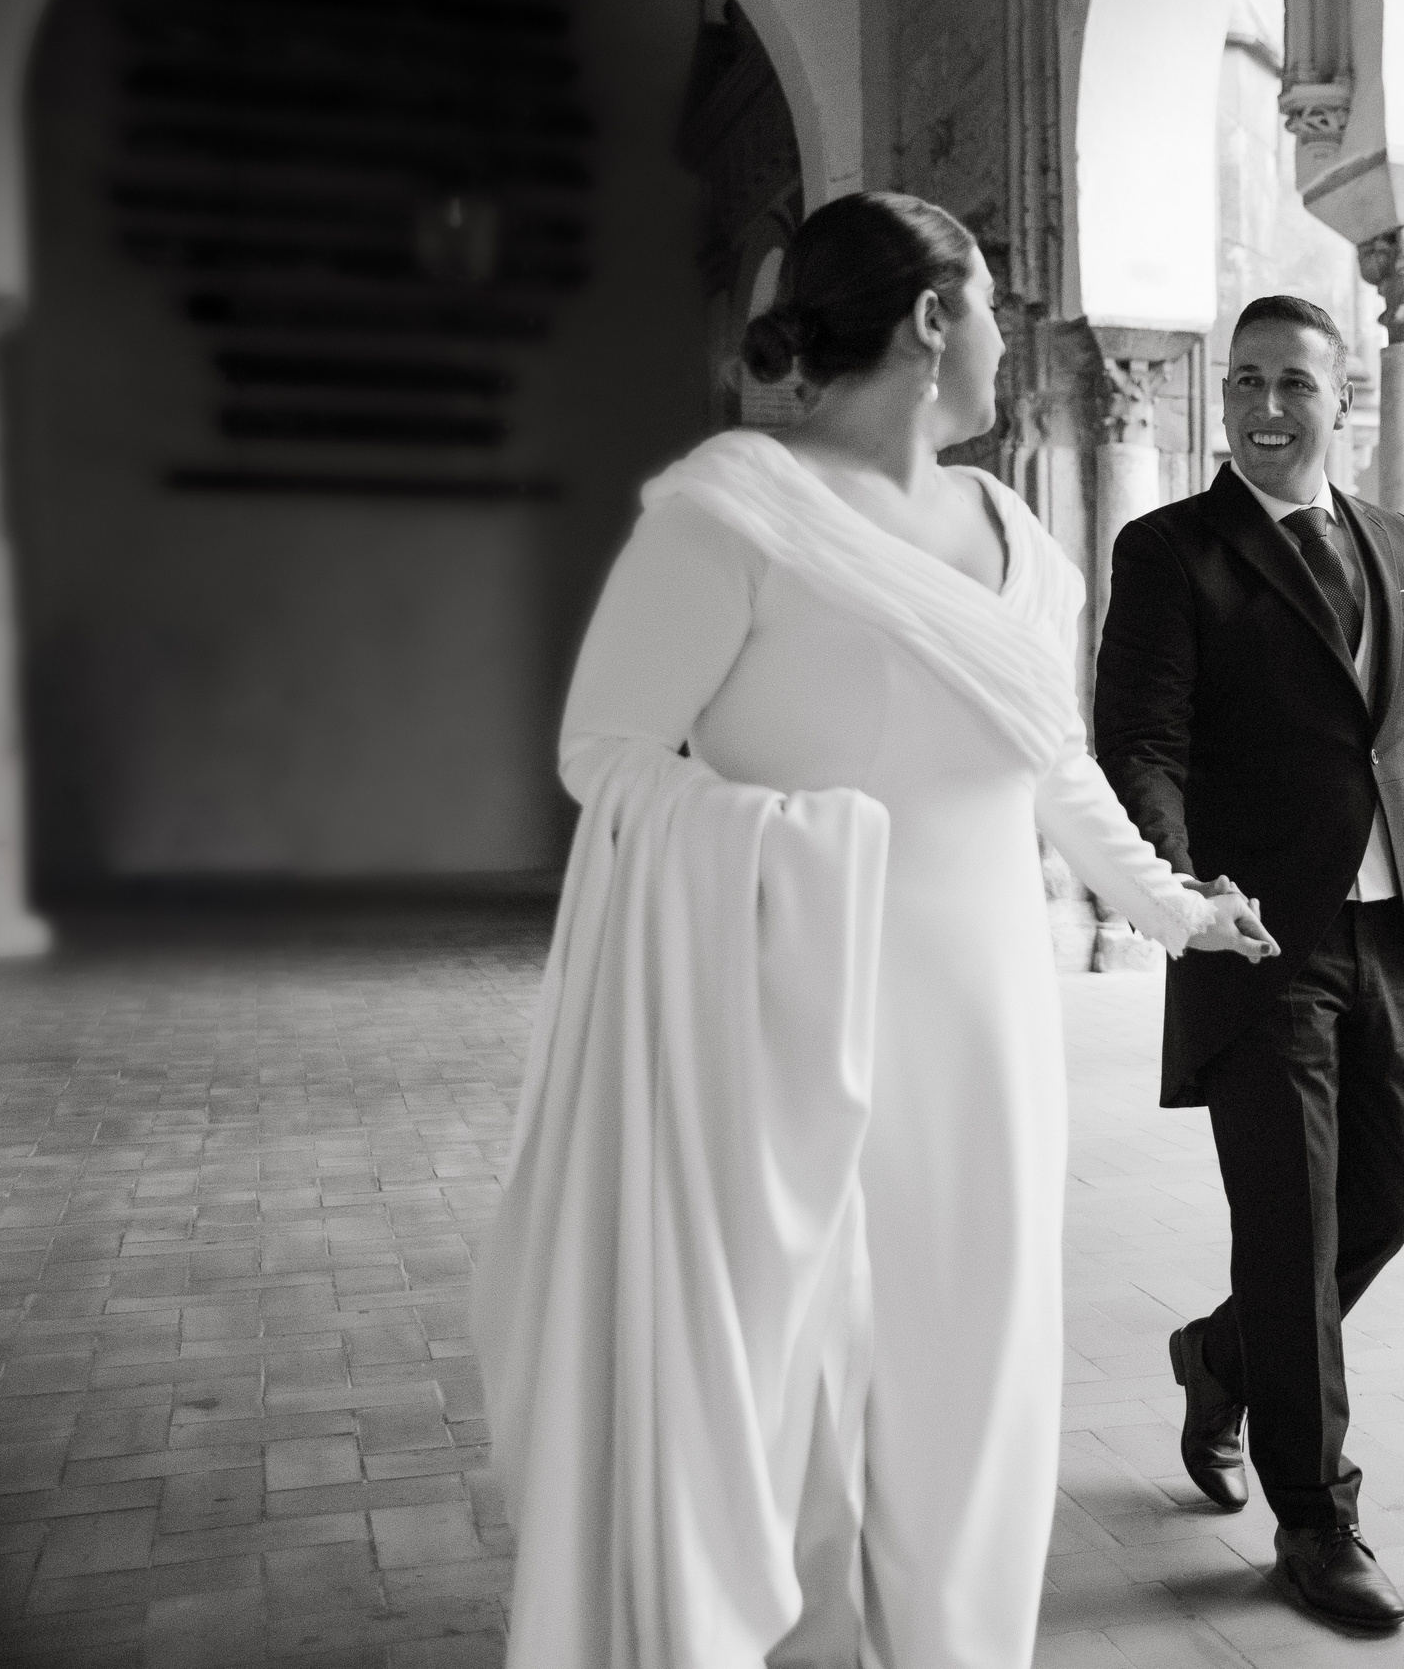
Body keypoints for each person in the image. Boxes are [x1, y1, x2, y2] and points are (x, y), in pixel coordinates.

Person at [471, 191, 1276, 1669]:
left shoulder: (1020, 538)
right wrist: (796, 845)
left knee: (973, 1359)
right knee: (796, 1368)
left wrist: (1168, 904)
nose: (1002, 347)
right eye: (989, 313)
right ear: (929, 319)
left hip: (983, 1024)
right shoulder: (732, 510)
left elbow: (1052, 759)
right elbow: (606, 751)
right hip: (788, 1011)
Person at [1092, 295, 1404, 1629]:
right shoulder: (1170, 551)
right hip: (1254, 943)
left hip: (1384, 934)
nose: (1263, 409)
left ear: (1342, 395)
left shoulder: (1394, 541)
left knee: (1391, 1197)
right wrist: (1185, 882)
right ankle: (1316, 1523)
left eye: (1291, 386)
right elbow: (1141, 739)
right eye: (1243, 383)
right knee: (1293, 1227)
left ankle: (1222, 1354)